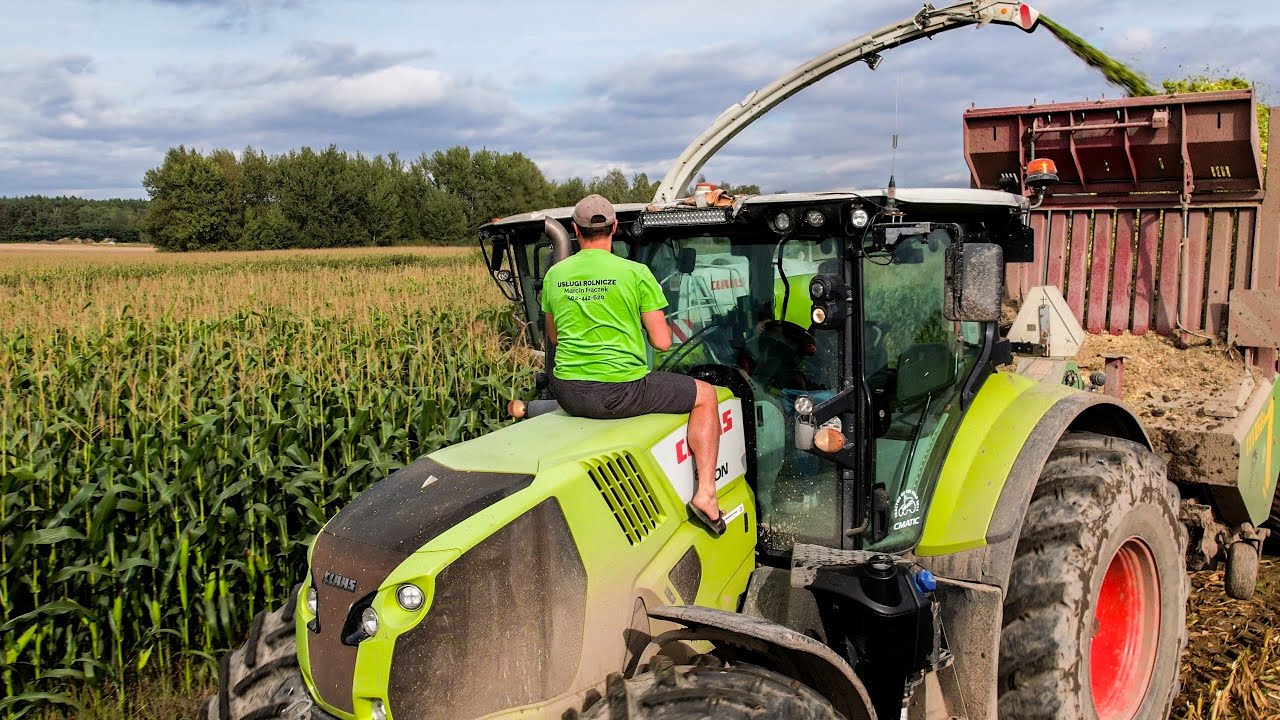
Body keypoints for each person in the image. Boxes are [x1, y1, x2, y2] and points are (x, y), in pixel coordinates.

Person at [541, 194, 726, 535]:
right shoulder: (636, 273)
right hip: (619, 393)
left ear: (574, 231)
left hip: (566, 391)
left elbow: (554, 337)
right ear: (614, 228)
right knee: (707, 395)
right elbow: (662, 341)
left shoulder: (555, 275)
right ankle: (707, 496)